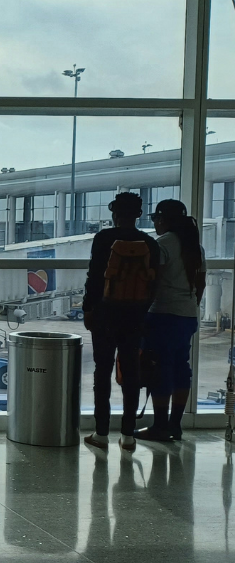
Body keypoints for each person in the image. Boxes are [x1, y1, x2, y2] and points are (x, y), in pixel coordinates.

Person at [82, 192, 161, 454]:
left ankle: (101, 433)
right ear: (138, 214)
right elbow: (154, 283)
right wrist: (142, 309)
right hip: (135, 315)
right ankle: (128, 435)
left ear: (114, 213)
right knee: (131, 372)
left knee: (102, 372)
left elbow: (94, 276)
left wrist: (88, 308)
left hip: (105, 314)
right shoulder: (150, 243)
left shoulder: (104, 238)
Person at [135, 199, 206, 441]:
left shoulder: (162, 243)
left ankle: (160, 426)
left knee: (160, 370)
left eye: (155, 219)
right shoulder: (195, 246)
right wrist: (190, 305)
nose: (154, 223)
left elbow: (152, 282)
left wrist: (142, 312)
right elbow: (201, 282)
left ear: (163, 219)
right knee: (180, 368)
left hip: (163, 314)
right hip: (187, 315)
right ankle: (175, 425)